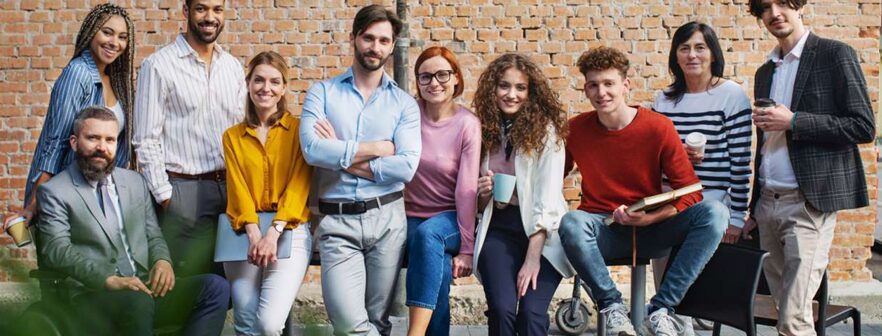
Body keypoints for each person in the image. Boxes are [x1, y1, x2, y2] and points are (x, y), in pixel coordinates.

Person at [557, 46, 727, 336]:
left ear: (625, 85)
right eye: (594, 85)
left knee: (715, 212)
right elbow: (550, 177)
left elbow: (690, 191)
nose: (602, 92)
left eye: (609, 84)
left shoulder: (657, 127)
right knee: (572, 222)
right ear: (585, 89)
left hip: (653, 230)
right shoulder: (575, 129)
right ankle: (611, 307)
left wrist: (651, 218)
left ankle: (662, 308)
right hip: (604, 230)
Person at [35, 106, 230, 336]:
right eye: (93, 138)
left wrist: (162, 261)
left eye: (109, 139)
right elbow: (57, 250)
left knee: (216, 287)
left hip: (143, 288)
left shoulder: (135, 182)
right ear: (74, 142)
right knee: (137, 302)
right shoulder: (55, 191)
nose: (102, 147)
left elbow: (153, 233)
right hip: (93, 296)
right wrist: (108, 280)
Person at [746, 1, 875, 334]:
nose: (774, 13)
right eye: (764, 7)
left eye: (781, 3)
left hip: (808, 203)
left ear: (799, 5)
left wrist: (795, 121)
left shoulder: (835, 55)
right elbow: (764, 147)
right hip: (767, 204)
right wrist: (753, 206)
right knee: (783, 311)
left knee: (793, 317)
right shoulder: (765, 72)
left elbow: (862, 126)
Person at [299, 5, 420, 335]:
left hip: (388, 221)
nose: (375, 47)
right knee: (350, 325)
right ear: (353, 38)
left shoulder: (404, 104)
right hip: (337, 223)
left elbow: (407, 165)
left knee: (377, 322)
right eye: (368, 38)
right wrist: (379, 149)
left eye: (384, 40)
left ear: (393, 45)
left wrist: (339, 151)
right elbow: (312, 149)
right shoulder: (322, 93)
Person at [650, 22, 755, 332]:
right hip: (670, 205)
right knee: (668, 298)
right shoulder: (665, 99)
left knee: (698, 301)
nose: (692, 55)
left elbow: (741, 161)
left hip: (711, 207)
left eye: (700, 47)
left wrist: (736, 217)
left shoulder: (731, 95)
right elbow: (653, 155)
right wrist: (676, 156)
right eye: (684, 48)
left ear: (712, 53)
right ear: (675, 56)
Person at [134, 0, 246, 276]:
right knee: (189, 285)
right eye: (202, 9)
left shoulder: (232, 67)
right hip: (184, 189)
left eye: (217, 10)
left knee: (227, 282)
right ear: (186, 12)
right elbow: (145, 139)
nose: (210, 17)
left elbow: (243, 130)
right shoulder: (159, 66)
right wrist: (166, 197)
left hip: (230, 191)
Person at [4, 3, 135, 232]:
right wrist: (35, 203)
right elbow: (56, 142)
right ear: (91, 31)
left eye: (122, 37)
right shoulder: (78, 74)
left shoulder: (116, 81)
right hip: (70, 195)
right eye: (107, 32)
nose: (115, 43)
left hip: (102, 195)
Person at [471, 53, 575, 336]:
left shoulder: (547, 133)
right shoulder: (483, 130)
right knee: (503, 309)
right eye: (504, 86)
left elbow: (548, 198)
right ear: (493, 89)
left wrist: (532, 259)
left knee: (530, 313)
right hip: (499, 228)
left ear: (531, 92)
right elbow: (478, 204)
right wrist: (483, 194)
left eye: (520, 88)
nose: (511, 94)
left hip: (543, 233)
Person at [222, 51, 313, 336]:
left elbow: (299, 186)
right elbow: (237, 190)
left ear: (284, 87)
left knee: (269, 324)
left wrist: (272, 234)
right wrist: (254, 235)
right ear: (248, 83)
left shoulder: (299, 130)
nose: (266, 88)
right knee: (245, 322)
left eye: (275, 81)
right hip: (242, 232)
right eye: (259, 80)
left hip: (290, 229)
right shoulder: (232, 136)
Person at [404, 46, 480, 336]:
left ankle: (415, 333)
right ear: (418, 82)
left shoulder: (468, 124)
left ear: (456, 79)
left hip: (451, 217)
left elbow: (467, 189)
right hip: (410, 215)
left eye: (442, 75)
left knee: (429, 236)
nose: (434, 83)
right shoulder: (409, 115)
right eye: (425, 77)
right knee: (439, 268)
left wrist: (467, 248)